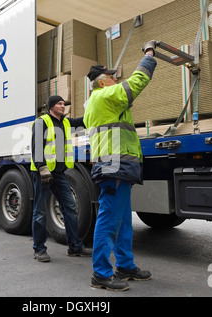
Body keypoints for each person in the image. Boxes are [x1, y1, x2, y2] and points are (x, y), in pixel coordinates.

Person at [83, 42, 158, 291]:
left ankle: (125, 266)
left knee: (123, 220)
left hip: (118, 166)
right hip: (113, 166)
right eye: (113, 78)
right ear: (102, 82)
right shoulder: (104, 96)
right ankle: (100, 274)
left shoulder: (101, 102)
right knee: (108, 220)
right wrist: (148, 55)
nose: (117, 81)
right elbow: (136, 83)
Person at [31, 95, 92, 262]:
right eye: (59, 103)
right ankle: (39, 249)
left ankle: (75, 247)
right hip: (42, 172)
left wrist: (94, 104)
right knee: (41, 211)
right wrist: (42, 168)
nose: (62, 106)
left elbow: (84, 121)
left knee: (70, 207)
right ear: (51, 106)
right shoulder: (42, 122)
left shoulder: (65, 122)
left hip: (58, 173)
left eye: (64, 103)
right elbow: (36, 147)